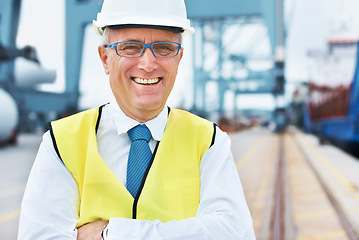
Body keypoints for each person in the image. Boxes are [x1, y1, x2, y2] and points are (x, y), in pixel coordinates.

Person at [18, 0, 255, 239]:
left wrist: (110, 234)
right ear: (104, 59)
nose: (148, 64)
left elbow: (235, 234)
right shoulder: (61, 142)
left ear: (179, 58)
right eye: (130, 47)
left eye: (163, 48)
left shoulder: (210, 142)